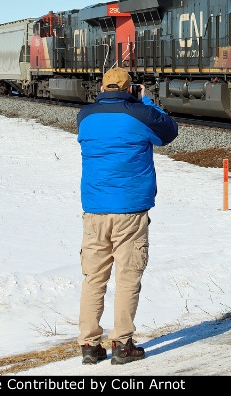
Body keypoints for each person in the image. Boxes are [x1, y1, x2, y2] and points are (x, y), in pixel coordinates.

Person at [76, 67, 178, 365]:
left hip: (94, 210)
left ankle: (89, 345)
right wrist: (146, 102)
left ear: (104, 87)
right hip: (130, 211)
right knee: (128, 276)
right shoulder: (140, 114)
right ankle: (122, 344)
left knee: (93, 277)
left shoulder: (85, 116)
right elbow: (169, 131)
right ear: (130, 88)